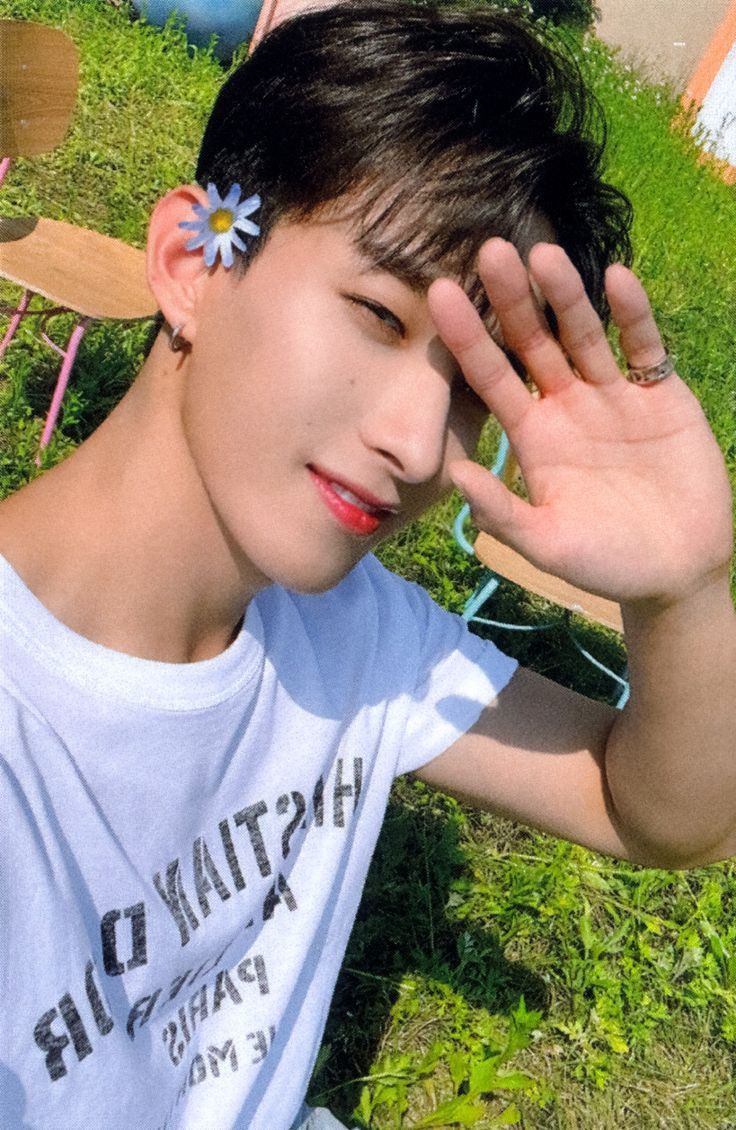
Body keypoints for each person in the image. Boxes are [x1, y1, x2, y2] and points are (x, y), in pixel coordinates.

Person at [0, 2, 733, 1127]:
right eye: (378, 315)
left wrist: (681, 592)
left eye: (470, 389)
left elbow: (660, 814)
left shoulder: (351, 634)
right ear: (193, 258)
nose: (415, 440)